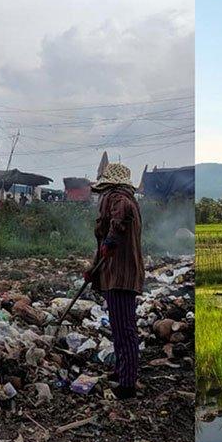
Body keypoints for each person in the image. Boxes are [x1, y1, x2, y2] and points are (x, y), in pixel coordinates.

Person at [86, 163, 144, 399]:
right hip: (115, 273)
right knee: (119, 327)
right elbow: (105, 238)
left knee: (125, 330)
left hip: (121, 275)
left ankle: (127, 384)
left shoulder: (119, 199)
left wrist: (110, 242)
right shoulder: (122, 198)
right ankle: (122, 371)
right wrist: (93, 267)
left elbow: (116, 225)